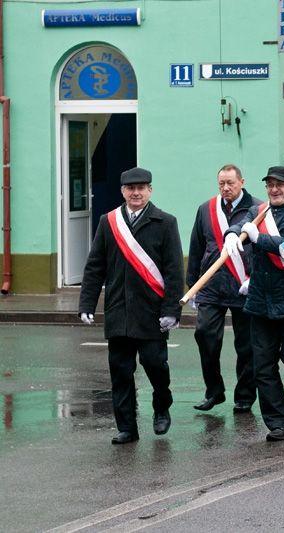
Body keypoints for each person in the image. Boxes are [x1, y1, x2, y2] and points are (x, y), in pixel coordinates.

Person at [79, 167, 184, 444]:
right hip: (119, 312)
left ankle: (162, 406)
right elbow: (95, 266)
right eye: (130, 188)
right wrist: (87, 303)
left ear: (150, 190)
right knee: (121, 372)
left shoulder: (165, 222)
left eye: (141, 188)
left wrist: (172, 311)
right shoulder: (108, 222)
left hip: (152, 313)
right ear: (123, 191)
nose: (136, 193)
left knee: (156, 367)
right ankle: (127, 427)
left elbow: (174, 271)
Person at [225, 166, 284, 441]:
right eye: (270, 185)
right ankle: (279, 422)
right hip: (261, 302)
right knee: (263, 366)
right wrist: (231, 233)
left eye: (280, 185)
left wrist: (261, 239)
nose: (274, 190)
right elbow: (240, 222)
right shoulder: (259, 211)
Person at [186, 164, 259, 414]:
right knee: (205, 335)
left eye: (230, 183)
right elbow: (196, 248)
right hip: (212, 285)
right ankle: (214, 391)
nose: (226, 188)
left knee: (247, 344)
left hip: (244, 285)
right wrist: (192, 285)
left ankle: (245, 396)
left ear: (242, 182)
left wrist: (257, 279)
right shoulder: (206, 209)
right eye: (221, 184)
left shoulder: (256, 209)